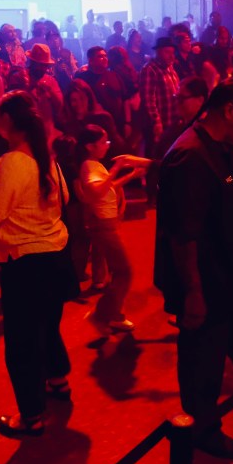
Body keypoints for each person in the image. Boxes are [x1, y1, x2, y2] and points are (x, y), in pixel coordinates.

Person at [154, 81, 233, 459]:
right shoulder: (191, 157)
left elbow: (229, 193)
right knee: (203, 358)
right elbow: (182, 235)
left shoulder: (215, 149)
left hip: (225, 275)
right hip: (205, 282)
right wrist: (193, 294)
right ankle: (202, 429)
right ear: (229, 111)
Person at [0, 91, 73, 437]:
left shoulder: (13, 161)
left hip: (27, 262)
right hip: (55, 256)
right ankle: (58, 381)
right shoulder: (45, 157)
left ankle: (31, 416)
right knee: (47, 325)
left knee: (22, 341)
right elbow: (65, 199)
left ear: (5, 121)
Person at [75, 125, 145, 334]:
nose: (107, 145)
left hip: (106, 224)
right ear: (90, 146)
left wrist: (131, 176)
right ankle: (104, 315)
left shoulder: (95, 165)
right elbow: (96, 192)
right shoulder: (89, 165)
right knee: (124, 271)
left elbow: (108, 188)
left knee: (120, 271)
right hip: (103, 227)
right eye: (104, 142)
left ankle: (109, 315)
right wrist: (116, 169)